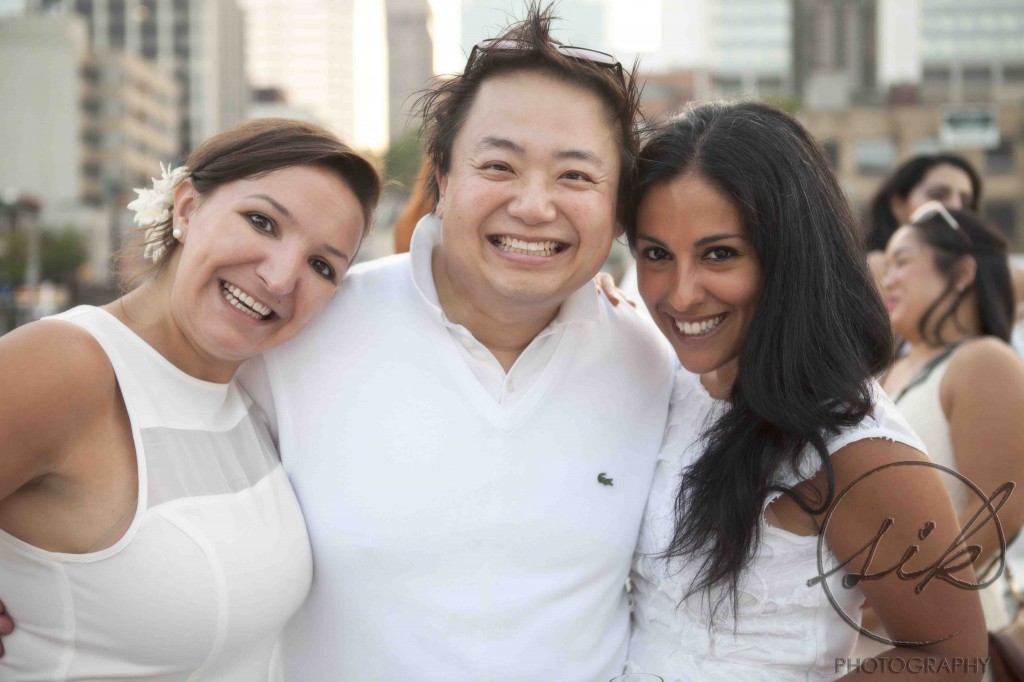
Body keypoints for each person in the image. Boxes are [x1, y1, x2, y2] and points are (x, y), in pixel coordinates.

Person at [238, 5, 675, 680]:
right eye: (499, 166)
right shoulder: (305, 332)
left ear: (620, 208)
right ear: (442, 177)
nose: (534, 206)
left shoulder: (653, 364)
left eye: (576, 176)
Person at [0, 118, 381, 679]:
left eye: (322, 266)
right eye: (262, 222)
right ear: (186, 209)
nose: (280, 278)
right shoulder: (67, 365)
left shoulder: (251, 394)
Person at [623, 102, 987, 681]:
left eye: (720, 253)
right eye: (656, 255)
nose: (681, 294)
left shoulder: (857, 447)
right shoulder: (666, 382)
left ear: (790, 257)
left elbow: (953, 657)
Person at [879, 204, 1024, 636]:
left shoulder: (983, 360)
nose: (888, 279)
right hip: (876, 624)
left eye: (902, 262)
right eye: (886, 266)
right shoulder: (889, 366)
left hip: (942, 631)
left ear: (961, 272)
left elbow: (1001, 511)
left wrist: (900, 595)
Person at [864, 153, 982, 289]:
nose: (956, 207)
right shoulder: (873, 270)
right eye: (938, 195)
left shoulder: (981, 271)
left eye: (966, 203)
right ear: (899, 205)